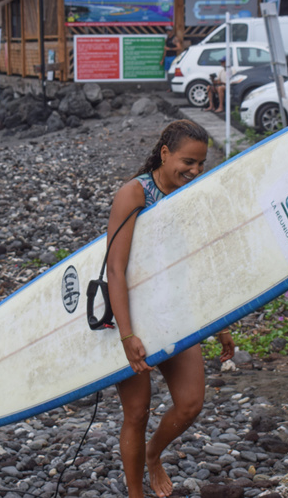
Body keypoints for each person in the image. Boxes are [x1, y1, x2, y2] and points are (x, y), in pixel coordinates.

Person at [106, 119, 236, 498]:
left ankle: (153, 454)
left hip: (173, 313)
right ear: (164, 154)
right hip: (128, 314)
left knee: (191, 404)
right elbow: (115, 268)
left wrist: (221, 324)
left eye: (200, 164)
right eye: (187, 161)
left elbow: (194, 266)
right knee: (137, 412)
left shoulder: (190, 196)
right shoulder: (134, 194)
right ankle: (135, 493)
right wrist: (127, 334)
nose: (194, 171)